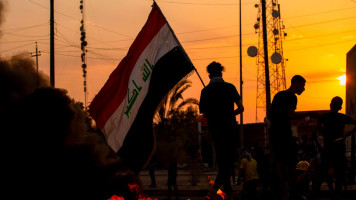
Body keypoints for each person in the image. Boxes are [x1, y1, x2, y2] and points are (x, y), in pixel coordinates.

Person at [199, 61, 244, 200]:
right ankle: (216, 192)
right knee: (228, 163)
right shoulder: (230, 87)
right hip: (230, 129)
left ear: (209, 75)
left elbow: (204, 114)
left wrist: (215, 117)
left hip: (216, 131)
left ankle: (226, 193)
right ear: (221, 72)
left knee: (223, 163)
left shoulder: (205, 91)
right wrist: (230, 115)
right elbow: (241, 108)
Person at [268, 75, 309, 200]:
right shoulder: (292, 97)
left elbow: (269, 113)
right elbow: (290, 115)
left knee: (279, 162)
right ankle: (290, 191)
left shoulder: (279, 95)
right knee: (290, 162)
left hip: (274, 132)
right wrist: (308, 113)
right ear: (296, 83)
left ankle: (283, 191)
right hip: (283, 133)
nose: (304, 89)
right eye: (303, 86)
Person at [317, 96, 356, 196]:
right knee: (339, 171)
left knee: (327, 170)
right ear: (340, 107)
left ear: (330, 105)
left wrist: (320, 146)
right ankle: (337, 192)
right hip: (338, 147)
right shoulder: (342, 117)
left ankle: (330, 190)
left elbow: (316, 131)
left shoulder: (324, 117)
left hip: (328, 148)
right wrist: (347, 135)